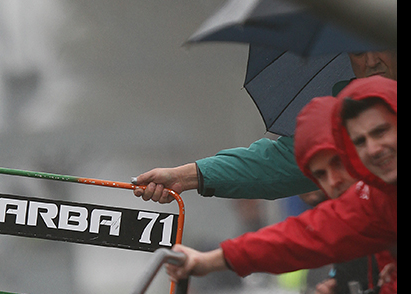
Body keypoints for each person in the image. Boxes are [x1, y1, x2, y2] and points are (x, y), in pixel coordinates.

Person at [163, 78, 397, 294]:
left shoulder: (372, 198)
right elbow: (303, 237)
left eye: (381, 132)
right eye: (361, 142)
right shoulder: (374, 200)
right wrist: (212, 261)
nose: (374, 149)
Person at [132, 50, 397, 204]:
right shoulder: (347, 115)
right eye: (359, 52)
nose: (372, 61)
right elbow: (278, 164)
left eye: (380, 45)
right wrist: (185, 176)